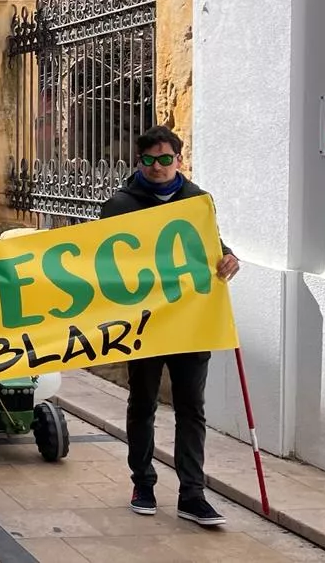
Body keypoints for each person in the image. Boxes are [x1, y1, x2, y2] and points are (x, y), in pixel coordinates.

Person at [101, 126, 239, 527]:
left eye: (166, 159)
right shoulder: (120, 205)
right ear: (138, 162)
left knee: (191, 408)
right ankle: (142, 483)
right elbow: (99, 261)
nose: (158, 167)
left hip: (190, 322)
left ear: (179, 160)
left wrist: (229, 257)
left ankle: (192, 494)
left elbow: (211, 245)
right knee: (142, 404)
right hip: (143, 324)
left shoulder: (198, 202)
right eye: (149, 160)